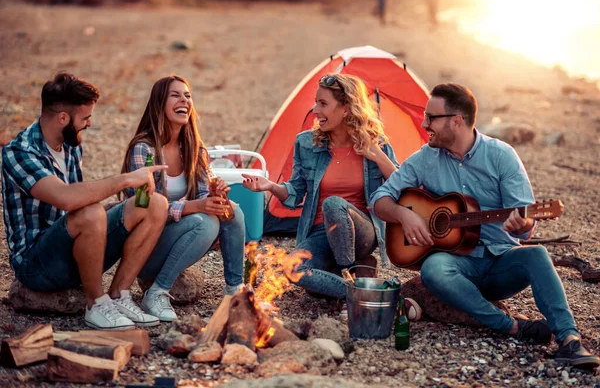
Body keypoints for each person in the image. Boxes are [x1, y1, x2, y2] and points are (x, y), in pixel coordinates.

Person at [371, 83, 600, 369]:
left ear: (457, 121)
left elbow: (525, 224)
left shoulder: (502, 155)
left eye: (431, 118)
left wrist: (521, 224)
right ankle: (511, 326)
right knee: (433, 268)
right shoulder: (424, 159)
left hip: (498, 263)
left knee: (536, 254)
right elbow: (380, 199)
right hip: (454, 266)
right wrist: (405, 216)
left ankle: (570, 341)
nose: (424, 123)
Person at [1, 72, 169, 330]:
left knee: (154, 204)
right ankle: (95, 304)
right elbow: (67, 200)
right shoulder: (19, 152)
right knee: (90, 211)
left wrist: (118, 212)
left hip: (75, 248)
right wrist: (125, 180)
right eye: (86, 117)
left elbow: (80, 201)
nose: (90, 123)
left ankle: (118, 295)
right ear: (63, 118)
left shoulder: (70, 143)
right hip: (37, 265)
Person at [242, 74, 398, 301]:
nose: (315, 110)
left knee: (333, 204)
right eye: (316, 102)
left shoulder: (375, 142)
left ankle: (346, 270)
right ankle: (361, 293)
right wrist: (271, 187)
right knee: (292, 269)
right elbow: (294, 194)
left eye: (323, 104)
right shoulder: (306, 143)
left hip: (361, 232)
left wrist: (377, 155)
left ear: (346, 109)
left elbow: (400, 187)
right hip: (321, 233)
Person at [121, 75, 245, 322]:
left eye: (187, 95)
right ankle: (156, 291)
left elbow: (201, 196)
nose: (184, 100)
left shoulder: (194, 148)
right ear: (159, 103)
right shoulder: (144, 149)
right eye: (175, 95)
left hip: (180, 241)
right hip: (145, 251)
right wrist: (194, 206)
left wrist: (213, 195)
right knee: (205, 222)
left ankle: (235, 292)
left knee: (233, 211)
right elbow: (143, 209)